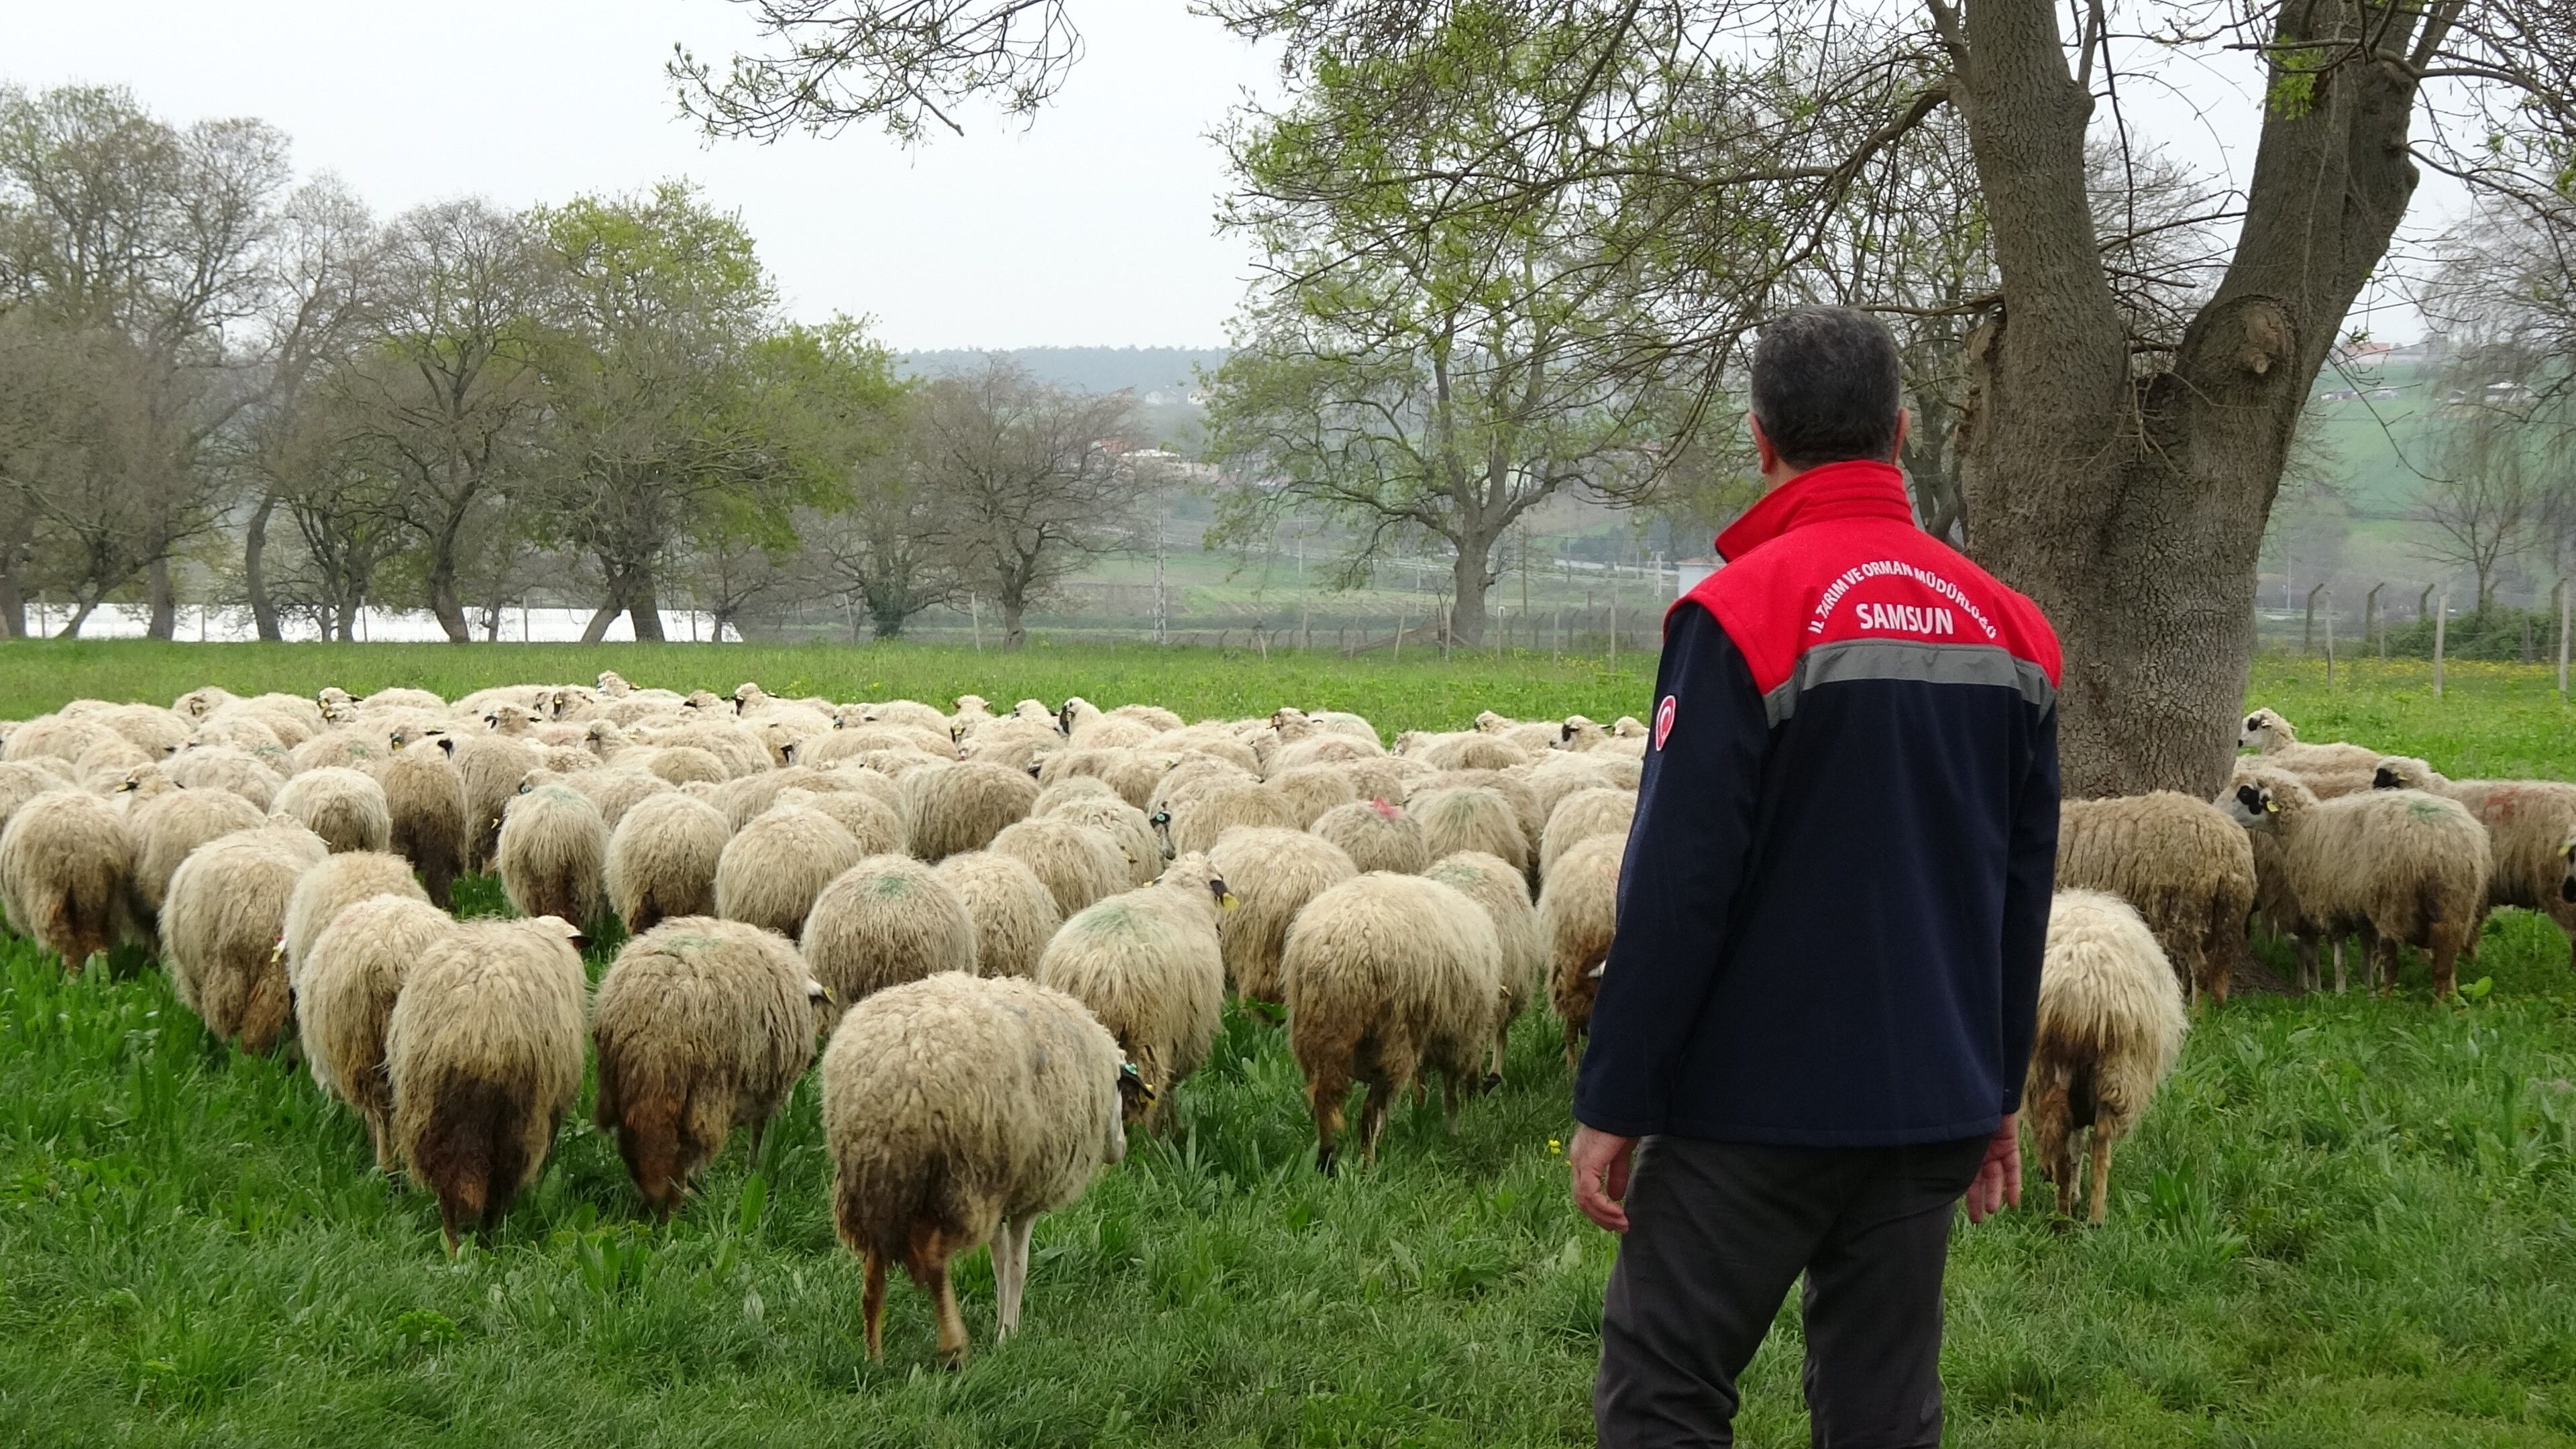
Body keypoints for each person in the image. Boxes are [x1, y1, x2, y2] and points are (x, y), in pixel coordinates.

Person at [1568, 306, 2061, 1448]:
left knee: (1665, 1388)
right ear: (1900, 432)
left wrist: (1615, 1099)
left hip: (1753, 1106)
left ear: (1760, 440)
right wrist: (1994, 1090)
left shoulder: (1738, 617)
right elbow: (2021, 891)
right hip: (1929, 1099)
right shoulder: (2012, 633)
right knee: (1885, 1410)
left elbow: (1679, 884)